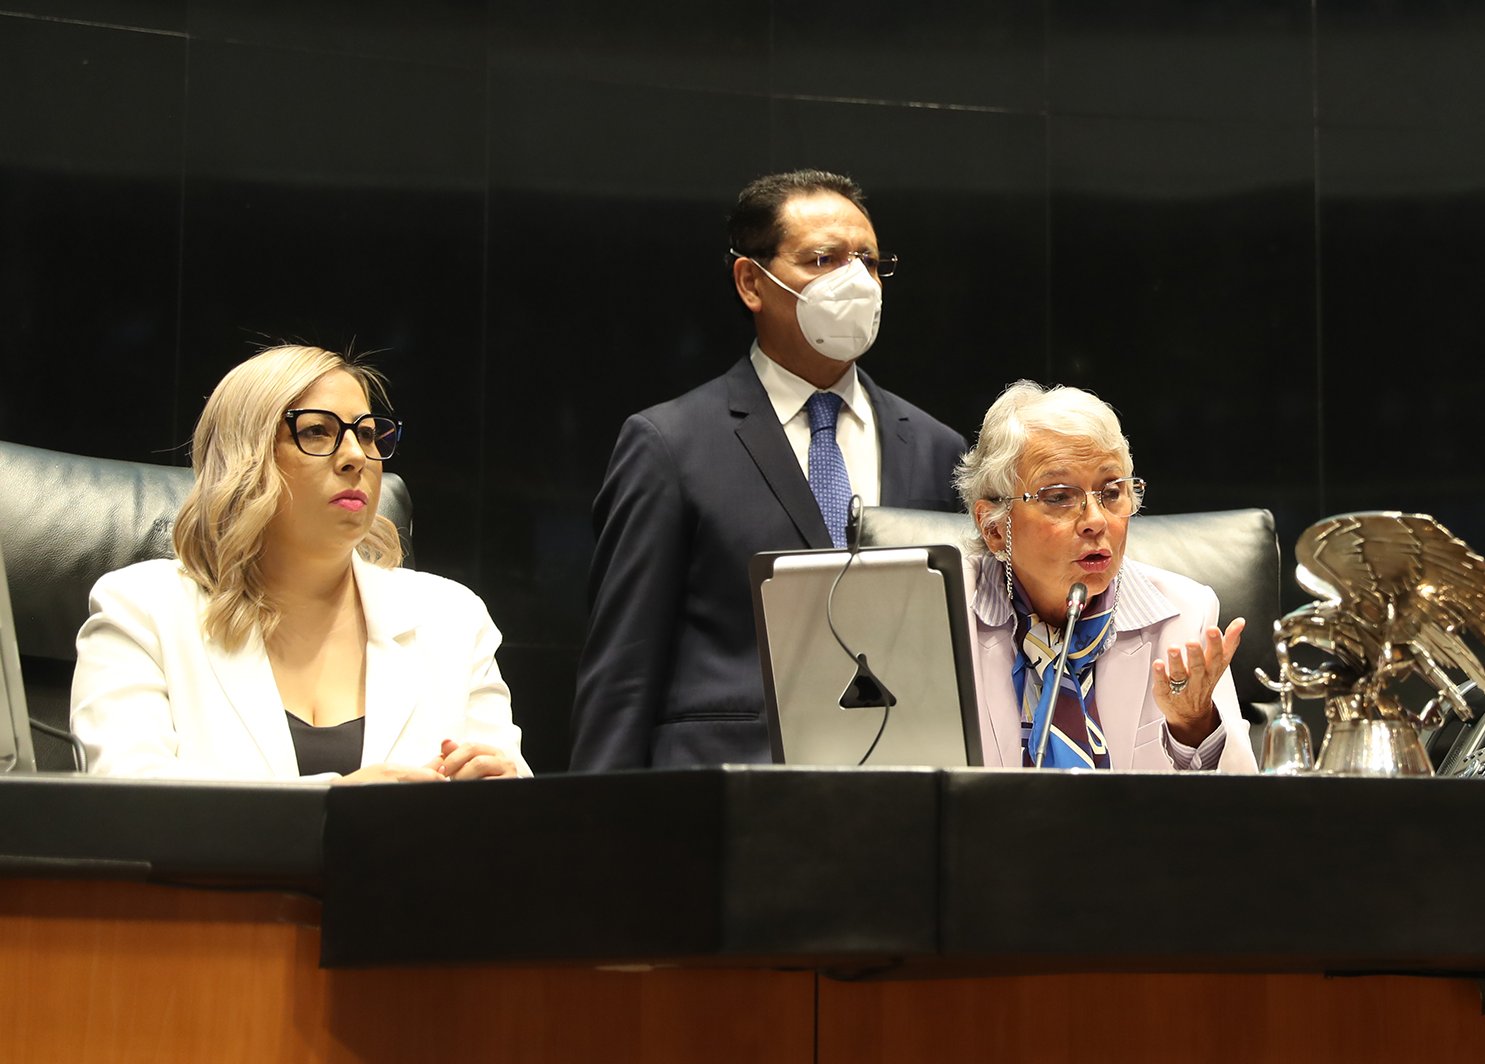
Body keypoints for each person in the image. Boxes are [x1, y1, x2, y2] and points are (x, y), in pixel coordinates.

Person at [572, 170, 967, 770]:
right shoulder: (670, 445)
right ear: (751, 282)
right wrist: (598, 817)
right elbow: (623, 670)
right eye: (823, 259)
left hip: (898, 782)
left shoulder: (936, 448)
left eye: (868, 261)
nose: (856, 281)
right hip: (727, 785)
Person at [72, 346, 528, 782]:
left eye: (366, 434)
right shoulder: (142, 609)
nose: (356, 456)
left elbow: (518, 806)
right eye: (317, 432)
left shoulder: (452, 618)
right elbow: (126, 795)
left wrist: (505, 796)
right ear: (244, 456)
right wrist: (335, 800)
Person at [956, 381, 1255, 771]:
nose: (1096, 521)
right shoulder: (940, 614)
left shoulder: (1184, 615)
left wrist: (1193, 726)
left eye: (1112, 492)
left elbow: (1243, 799)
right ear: (994, 528)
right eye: (1059, 497)